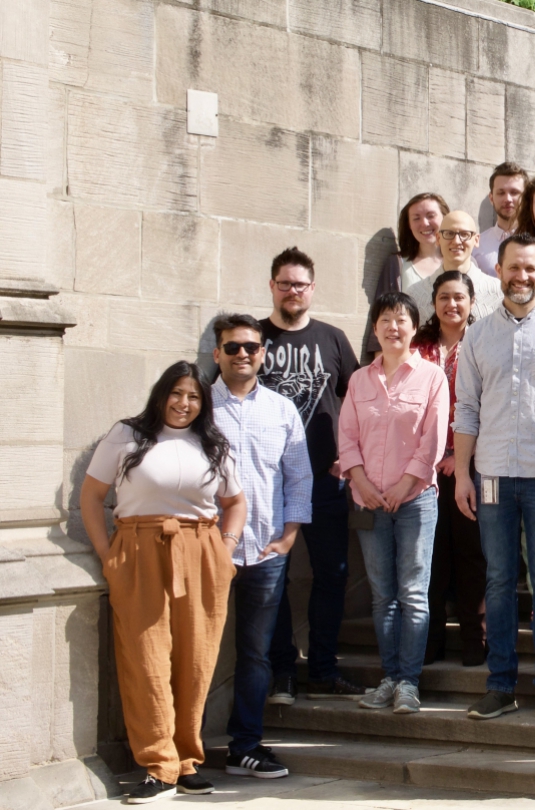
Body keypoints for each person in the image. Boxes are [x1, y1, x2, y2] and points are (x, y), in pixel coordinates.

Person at [79, 361, 247, 802]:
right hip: (139, 548)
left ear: (202, 402)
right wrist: (108, 555)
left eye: (193, 397)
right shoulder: (126, 435)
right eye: (176, 393)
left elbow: (235, 502)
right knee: (145, 658)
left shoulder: (211, 443)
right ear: (161, 394)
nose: (183, 403)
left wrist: (225, 550)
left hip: (201, 550)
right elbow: (92, 497)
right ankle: (158, 763)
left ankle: (186, 759)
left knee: (196, 659)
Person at [453, 233, 535, 723]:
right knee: (497, 582)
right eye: (514, 268)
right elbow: (465, 408)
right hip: (491, 475)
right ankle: (500, 685)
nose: (522, 276)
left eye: (531, 268)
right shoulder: (478, 334)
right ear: (500, 271)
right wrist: (462, 475)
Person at [259, 248, 365, 705]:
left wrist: (350, 457)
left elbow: (358, 403)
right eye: (284, 283)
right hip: (269, 485)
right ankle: (282, 671)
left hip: (324, 480)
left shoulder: (333, 339)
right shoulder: (254, 339)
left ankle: (322, 668)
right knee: (272, 577)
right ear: (272, 286)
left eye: (300, 284)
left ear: (312, 289)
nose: (292, 291)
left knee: (332, 575)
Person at [211, 314, 312, 781]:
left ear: (263, 353)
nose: (243, 355)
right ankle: (176, 748)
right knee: (195, 649)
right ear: (218, 354)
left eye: (251, 347)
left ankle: (244, 746)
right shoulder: (198, 408)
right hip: (208, 552)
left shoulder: (281, 409)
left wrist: (289, 536)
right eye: (233, 348)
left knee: (254, 654)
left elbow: (298, 476)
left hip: (265, 553)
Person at [340, 291, 450, 714]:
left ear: (413, 327)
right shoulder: (359, 380)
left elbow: (434, 438)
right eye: (385, 320)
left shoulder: (431, 377)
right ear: (374, 329)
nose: (393, 327)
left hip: (416, 500)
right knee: (382, 594)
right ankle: (388, 677)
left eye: (401, 319)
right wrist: (361, 481)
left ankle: (409, 681)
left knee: (413, 593)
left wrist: (406, 485)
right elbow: (347, 436)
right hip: (368, 500)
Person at [412, 272, 488, 667]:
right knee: (431, 556)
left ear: (472, 302)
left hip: (472, 464)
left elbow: (487, 404)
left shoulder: (482, 342)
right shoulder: (417, 347)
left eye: (459, 297)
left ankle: (476, 641)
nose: (451, 305)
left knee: (471, 554)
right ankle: (431, 642)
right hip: (422, 469)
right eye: (444, 297)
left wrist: (457, 456)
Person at [405, 210, 504, 319]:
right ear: (438, 239)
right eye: (449, 234)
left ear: (476, 240)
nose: (456, 241)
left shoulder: (499, 292)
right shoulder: (414, 295)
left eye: (464, 234)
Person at [373, 192, 448, 302]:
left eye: (431, 216)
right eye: (416, 218)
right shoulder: (398, 264)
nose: (424, 223)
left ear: (445, 218)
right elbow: (383, 311)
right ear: (409, 225)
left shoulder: (463, 261)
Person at [476, 163, 529, 275]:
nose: (508, 199)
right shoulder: (476, 246)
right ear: (491, 198)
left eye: (514, 193)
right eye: (501, 193)